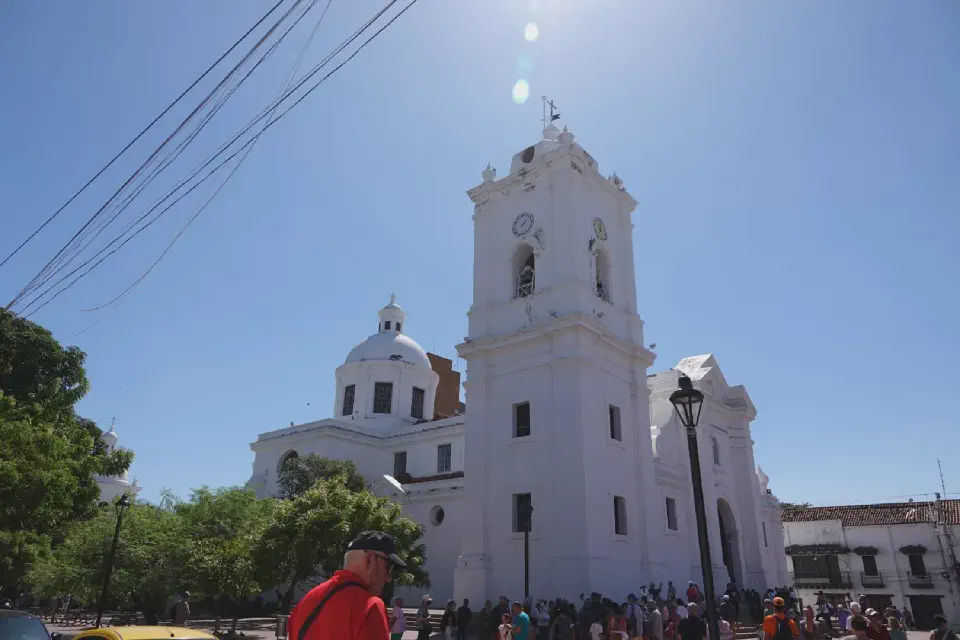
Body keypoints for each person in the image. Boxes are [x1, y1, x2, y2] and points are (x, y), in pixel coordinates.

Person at [288, 531, 405, 640]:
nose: (389, 578)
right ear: (370, 559)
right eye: (388, 567)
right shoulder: (370, 606)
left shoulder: (306, 601)